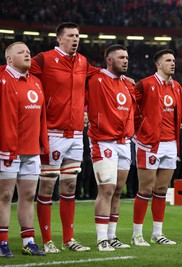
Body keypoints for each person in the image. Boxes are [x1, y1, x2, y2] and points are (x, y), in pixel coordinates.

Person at [30, 22, 99, 253]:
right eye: (70, 36)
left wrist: (122, 79)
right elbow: (19, 72)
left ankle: (68, 239)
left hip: (77, 133)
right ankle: (47, 240)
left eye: (78, 35)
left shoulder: (82, 62)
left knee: (69, 186)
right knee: (48, 187)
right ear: (59, 39)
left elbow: (99, 76)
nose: (75, 39)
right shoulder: (44, 59)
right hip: (53, 132)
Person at [0, 42, 48, 257]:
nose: (28, 54)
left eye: (29, 52)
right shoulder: (2, 79)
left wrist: (43, 145)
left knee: (28, 195)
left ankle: (28, 241)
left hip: (31, 149)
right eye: (21, 52)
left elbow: (42, 118)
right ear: (9, 59)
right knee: (5, 196)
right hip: (6, 149)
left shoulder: (36, 82)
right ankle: (2, 242)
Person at [87, 44, 135, 251]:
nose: (125, 61)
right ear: (109, 60)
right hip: (102, 141)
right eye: (121, 58)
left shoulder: (128, 85)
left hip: (124, 142)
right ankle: (101, 239)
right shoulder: (95, 78)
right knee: (106, 189)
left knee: (117, 190)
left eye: (127, 57)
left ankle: (112, 235)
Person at [132, 49, 182, 246]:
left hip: (171, 144)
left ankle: (157, 233)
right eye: (168, 60)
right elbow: (131, 106)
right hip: (150, 144)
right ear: (158, 64)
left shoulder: (177, 87)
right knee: (145, 189)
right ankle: (137, 234)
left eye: (174, 60)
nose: (173, 63)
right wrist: (141, 130)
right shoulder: (145, 84)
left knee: (161, 189)